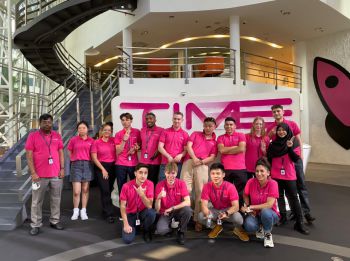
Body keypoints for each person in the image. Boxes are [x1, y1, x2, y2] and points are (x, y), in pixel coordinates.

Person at [267, 104, 315, 224]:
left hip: (294, 158)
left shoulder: (292, 124)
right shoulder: (271, 127)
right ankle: (290, 213)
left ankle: (305, 212)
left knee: (301, 185)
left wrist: (301, 155)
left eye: (278, 111)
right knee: (286, 190)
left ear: (283, 112)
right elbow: (267, 142)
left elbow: (298, 138)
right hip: (281, 163)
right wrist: (270, 134)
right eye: (274, 112)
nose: (276, 113)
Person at [25, 114, 65, 236]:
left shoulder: (57, 136)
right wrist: (33, 172)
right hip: (39, 175)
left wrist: (62, 168)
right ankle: (35, 224)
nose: (47, 124)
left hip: (56, 174)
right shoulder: (33, 136)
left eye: (49, 122)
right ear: (40, 123)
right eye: (44, 122)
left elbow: (61, 153)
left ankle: (55, 220)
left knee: (56, 199)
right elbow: (29, 155)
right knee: (36, 201)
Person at [267, 123, 310, 235]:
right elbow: (269, 158)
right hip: (276, 175)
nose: (281, 132)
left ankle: (299, 222)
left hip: (289, 175)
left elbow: (296, 159)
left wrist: (290, 148)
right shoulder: (272, 145)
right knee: (279, 196)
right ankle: (283, 217)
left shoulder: (293, 142)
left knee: (294, 198)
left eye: (283, 130)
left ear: (287, 130)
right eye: (279, 130)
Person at [180, 117, 217, 232]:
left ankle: (198, 220)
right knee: (184, 191)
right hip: (190, 162)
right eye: (206, 125)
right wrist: (194, 158)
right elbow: (189, 146)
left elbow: (212, 157)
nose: (207, 128)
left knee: (201, 193)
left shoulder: (214, 142)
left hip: (202, 165)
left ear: (214, 127)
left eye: (210, 126)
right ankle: (184, 218)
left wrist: (200, 161)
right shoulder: (195, 134)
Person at [198, 163, 249, 241]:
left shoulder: (230, 187)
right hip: (215, 210)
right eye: (213, 173)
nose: (215, 176)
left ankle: (237, 229)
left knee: (238, 219)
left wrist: (227, 213)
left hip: (227, 210)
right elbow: (203, 204)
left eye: (218, 173)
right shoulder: (207, 186)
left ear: (223, 175)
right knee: (201, 216)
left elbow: (236, 206)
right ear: (210, 175)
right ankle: (216, 227)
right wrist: (207, 213)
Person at [241, 158, 280, 248]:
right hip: (256, 214)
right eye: (257, 171)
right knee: (249, 225)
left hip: (271, 214)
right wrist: (247, 206)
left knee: (265, 211)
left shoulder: (273, 184)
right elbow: (245, 194)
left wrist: (251, 207)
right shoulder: (250, 182)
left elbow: (269, 204)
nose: (259, 174)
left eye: (262, 171)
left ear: (268, 173)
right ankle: (260, 227)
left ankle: (267, 233)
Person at [155, 163, 192, 245]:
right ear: (164, 173)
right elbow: (157, 209)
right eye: (168, 173)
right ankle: (171, 229)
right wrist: (158, 198)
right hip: (165, 213)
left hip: (177, 210)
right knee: (161, 230)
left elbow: (188, 202)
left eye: (173, 173)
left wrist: (172, 208)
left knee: (188, 210)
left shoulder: (181, 183)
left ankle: (181, 231)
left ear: (176, 173)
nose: (171, 176)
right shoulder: (159, 185)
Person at [120, 163, 156, 244]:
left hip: (143, 213)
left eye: (145, 173)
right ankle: (132, 226)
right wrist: (125, 224)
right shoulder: (126, 186)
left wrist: (142, 195)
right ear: (135, 173)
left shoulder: (150, 184)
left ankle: (146, 230)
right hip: (131, 214)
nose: (143, 175)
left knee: (151, 213)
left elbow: (149, 205)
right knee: (127, 240)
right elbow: (122, 206)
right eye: (140, 172)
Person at [67, 121, 94, 220]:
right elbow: (69, 151)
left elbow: (93, 154)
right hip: (76, 165)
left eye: (83, 128)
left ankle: (83, 210)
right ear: (77, 130)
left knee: (85, 189)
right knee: (76, 191)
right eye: (79, 128)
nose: (81, 129)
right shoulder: (73, 140)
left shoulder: (91, 140)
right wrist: (74, 159)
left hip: (87, 165)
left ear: (87, 129)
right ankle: (75, 211)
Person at [217, 117, 247, 205]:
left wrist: (228, 150)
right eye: (227, 125)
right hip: (225, 169)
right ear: (224, 126)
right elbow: (221, 150)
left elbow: (241, 148)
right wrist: (235, 148)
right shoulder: (220, 137)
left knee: (240, 192)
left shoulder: (241, 135)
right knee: (226, 192)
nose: (229, 126)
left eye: (231, 125)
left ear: (235, 126)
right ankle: (227, 211)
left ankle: (240, 211)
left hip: (240, 168)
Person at [91, 123, 117, 223]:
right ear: (101, 131)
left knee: (109, 190)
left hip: (112, 167)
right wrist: (103, 169)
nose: (107, 132)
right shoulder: (96, 142)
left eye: (109, 130)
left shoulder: (113, 141)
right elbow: (94, 158)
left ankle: (106, 209)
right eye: (105, 130)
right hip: (101, 167)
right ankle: (108, 214)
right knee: (105, 190)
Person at [115, 112, 141, 194]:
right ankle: (122, 205)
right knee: (121, 186)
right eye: (123, 120)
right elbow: (118, 151)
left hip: (133, 163)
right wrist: (124, 140)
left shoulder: (137, 132)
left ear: (131, 121)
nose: (125, 122)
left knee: (135, 186)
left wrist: (137, 147)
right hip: (121, 163)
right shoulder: (118, 134)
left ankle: (135, 204)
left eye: (127, 120)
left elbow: (140, 144)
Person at [158, 112, 189, 180]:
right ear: (172, 119)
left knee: (176, 185)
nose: (176, 121)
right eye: (175, 119)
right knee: (162, 184)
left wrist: (180, 155)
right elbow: (160, 147)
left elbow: (186, 150)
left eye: (178, 119)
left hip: (178, 164)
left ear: (182, 120)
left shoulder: (185, 134)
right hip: (165, 163)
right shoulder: (165, 132)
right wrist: (168, 156)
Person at [140, 112, 163, 185]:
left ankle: (152, 196)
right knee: (143, 181)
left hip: (154, 161)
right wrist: (138, 146)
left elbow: (162, 145)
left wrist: (156, 154)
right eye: (147, 119)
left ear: (155, 120)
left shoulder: (161, 130)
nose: (148, 120)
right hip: (143, 161)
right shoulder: (142, 130)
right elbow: (141, 143)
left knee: (153, 182)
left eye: (150, 118)